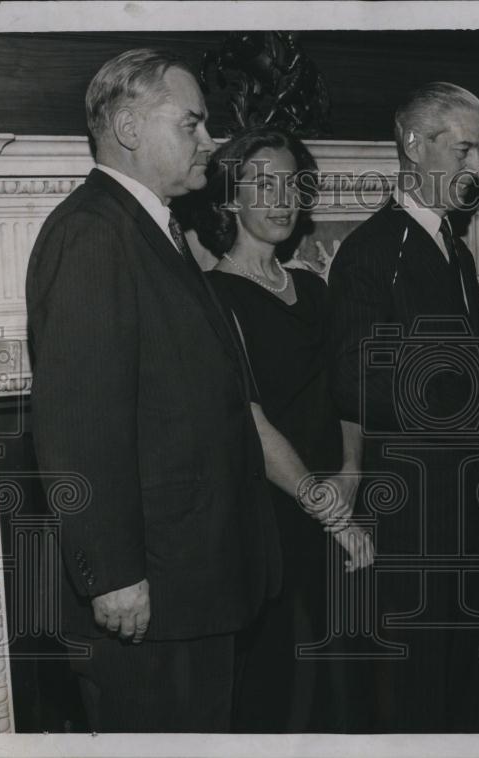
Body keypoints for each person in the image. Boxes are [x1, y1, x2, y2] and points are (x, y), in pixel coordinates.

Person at [25, 49, 280, 732]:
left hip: (191, 583)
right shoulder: (91, 235)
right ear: (131, 128)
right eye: (192, 124)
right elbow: (78, 419)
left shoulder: (155, 230)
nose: (210, 141)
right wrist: (110, 573)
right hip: (148, 594)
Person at [327, 82, 479, 732]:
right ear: (412, 145)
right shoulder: (372, 252)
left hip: (469, 522)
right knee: (414, 707)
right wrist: (476, 411)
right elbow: (360, 379)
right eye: (464, 149)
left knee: (466, 700)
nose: (478, 168)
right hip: (414, 529)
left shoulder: (455, 252)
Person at [191, 125, 373, 732]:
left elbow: (348, 395)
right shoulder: (214, 297)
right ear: (229, 198)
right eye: (262, 183)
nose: (280, 197)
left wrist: (350, 474)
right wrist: (335, 513)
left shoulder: (316, 292)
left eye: (291, 183)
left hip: (337, 503)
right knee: (288, 694)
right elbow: (252, 422)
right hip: (275, 523)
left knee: (347, 689)